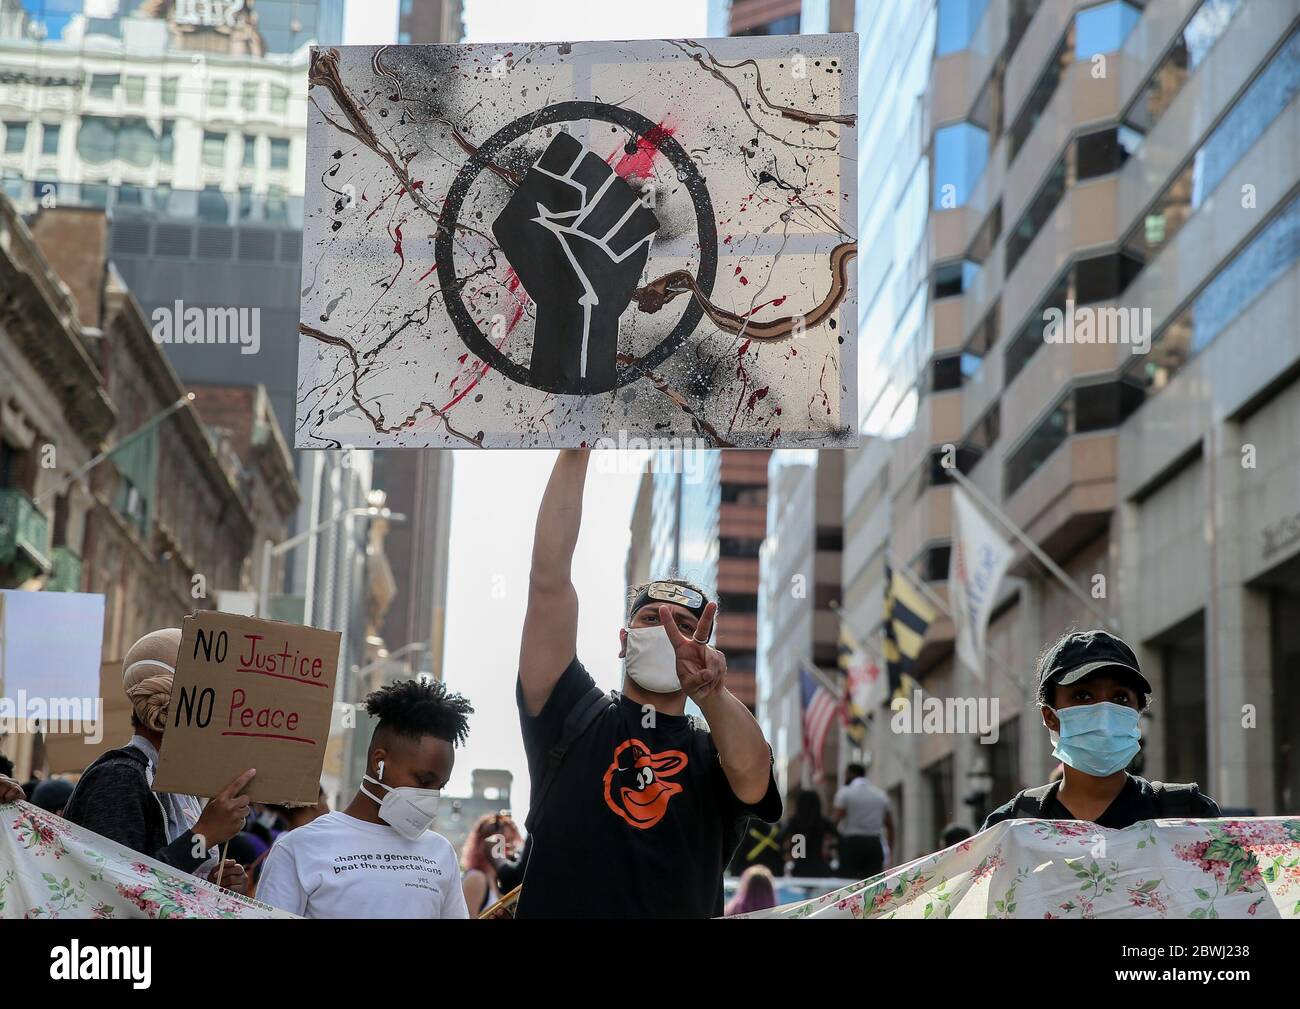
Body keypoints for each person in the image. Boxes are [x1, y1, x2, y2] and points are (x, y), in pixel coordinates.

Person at [515, 450, 782, 919]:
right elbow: (548, 581)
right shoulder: (569, 714)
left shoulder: (712, 750)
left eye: (684, 624)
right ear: (624, 639)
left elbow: (754, 774)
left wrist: (713, 696)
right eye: (651, 619)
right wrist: (577, 446)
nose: (669, 633)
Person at [257, 678, 473, 919]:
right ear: (379, 762)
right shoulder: (298, 848)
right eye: (423, 781)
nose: (431, 796)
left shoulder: (440, 853)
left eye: (440, 786)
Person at [61, 628, 254, 889]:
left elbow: (167, 880)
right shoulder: (120, 777)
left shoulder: (174, 784)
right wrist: (203, 836)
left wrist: (210, 884)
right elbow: (118, 888)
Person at [982, 629, 1221, 830]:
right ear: (1050, 716)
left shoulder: (1188, 815)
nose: (1104, 713)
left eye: (1120, 698)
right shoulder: (1012, 827)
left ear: (1137, 714)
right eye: (1083, 695)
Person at [832, 762, 894, 879]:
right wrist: (890, 850)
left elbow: (836, 820)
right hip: (874, 845)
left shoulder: (845, 793)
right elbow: (890, 825)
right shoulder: (880, 795)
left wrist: (833, 843)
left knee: (848, 885)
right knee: (873, 885)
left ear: (851, 774)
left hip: (852, 844)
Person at [461, 812, 523, 915]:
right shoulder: (476, 878)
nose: (511, 847)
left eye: (512, 841)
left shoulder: (497, 881)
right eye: (506, 841)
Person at [781, 790, 835, 878]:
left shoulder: (794, 823)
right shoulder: (824, 823)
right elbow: (838, 839)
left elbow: (780, 839)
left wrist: (787, 855)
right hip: (820, 866)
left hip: (800, 866)